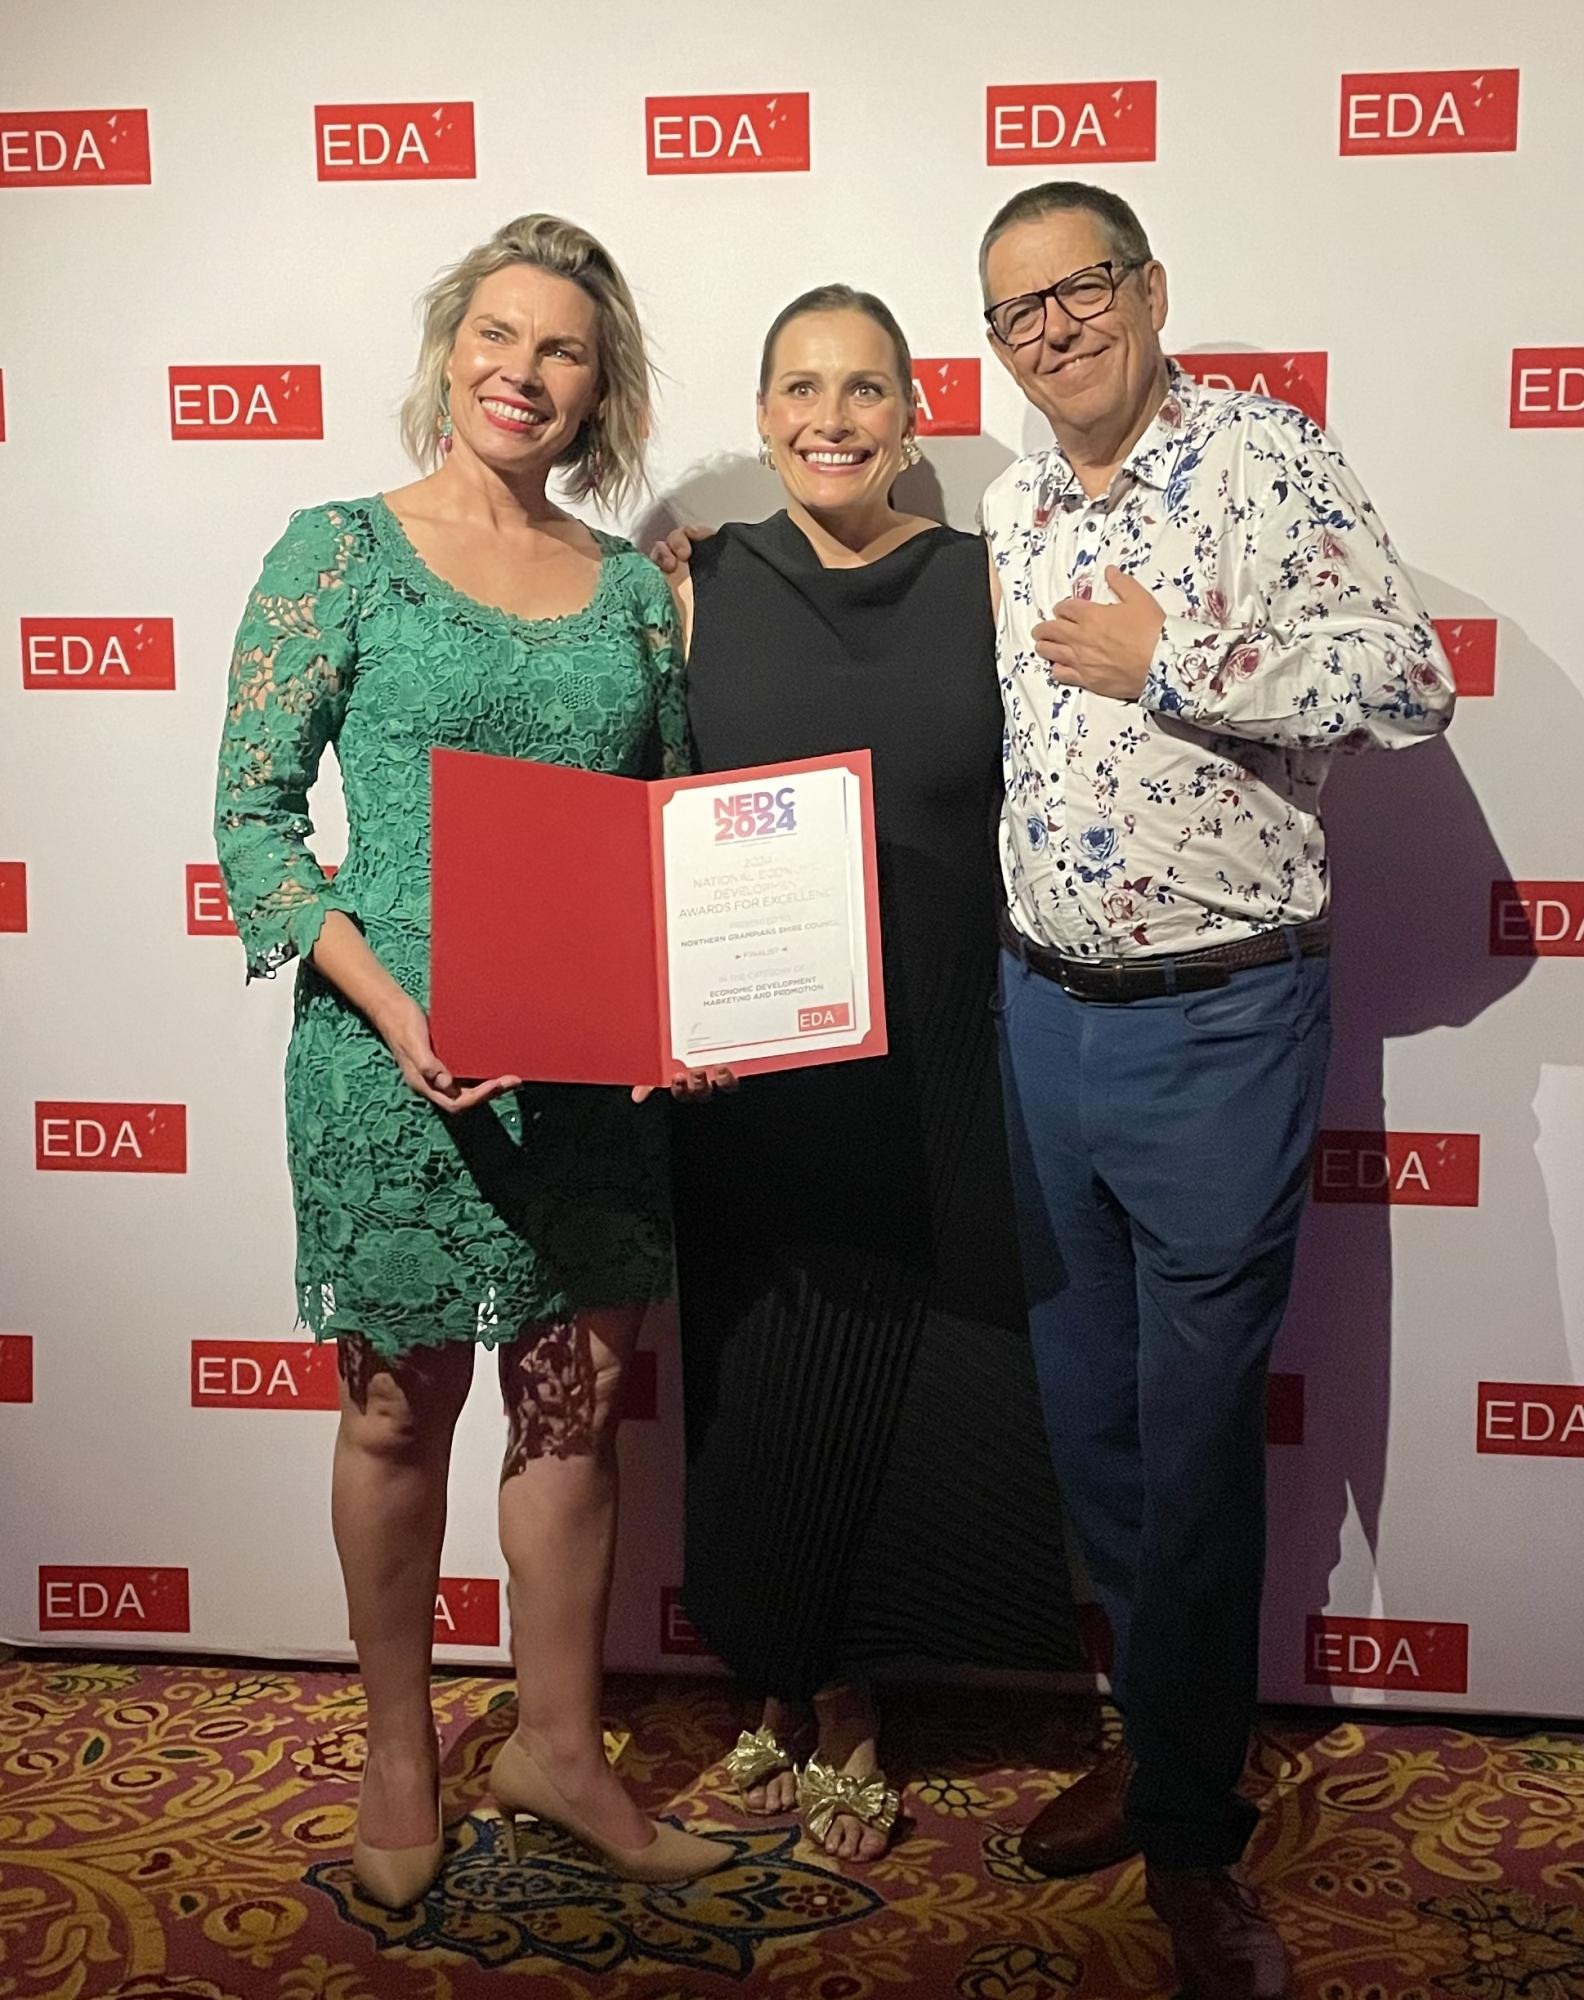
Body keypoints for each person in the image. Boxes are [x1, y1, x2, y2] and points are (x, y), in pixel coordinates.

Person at [213, 213, 724, 1908]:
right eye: (498, 336)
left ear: (601, 390)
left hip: (587, 1079)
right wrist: (393, 1001)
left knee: (573, 1416)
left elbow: (665, 839)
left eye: (563, 348)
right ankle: (399, 1746)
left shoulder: (634, 594)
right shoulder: (336, 551)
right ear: (450, 350)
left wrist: (686, 1015)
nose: (524, 370)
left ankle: (561, 1753)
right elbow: (256, 827)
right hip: (390, 1061)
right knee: (393, 1415)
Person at [978, 181, 1454, 1997]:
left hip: (1220, 1022)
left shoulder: (1267, 455)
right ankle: (1152, 1731)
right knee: (1094, 1417)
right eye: (1018, 313)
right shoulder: (1017, 505)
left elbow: (1405, 681)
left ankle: (1192, 1829)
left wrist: (1171, 654)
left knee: (1192, 1434)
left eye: (1082, 289)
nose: (1055, 330)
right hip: (1044, 1013)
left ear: (1151, 288)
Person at [653, 286, 1076, 1863]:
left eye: (864, 389)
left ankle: (855, 1708)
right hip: (754, 1074)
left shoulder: (988, 580)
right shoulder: (700, 587)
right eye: (798, 387)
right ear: (761, 415)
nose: (829, 417)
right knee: (759, 1369)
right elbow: (650, 815)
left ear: (912, 415)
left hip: (950, 1048)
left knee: (918, 1377)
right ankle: (779, 1682)